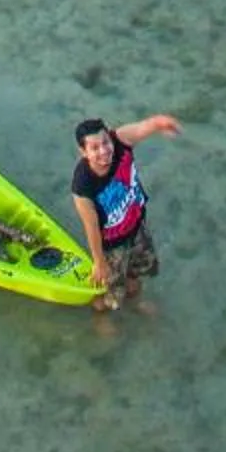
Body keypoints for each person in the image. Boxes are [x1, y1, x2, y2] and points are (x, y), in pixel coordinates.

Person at [69, 113, 179, 315]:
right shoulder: (83, 186)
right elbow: (91, 228)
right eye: (95, 148)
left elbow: (144, 127)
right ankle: (101, 317)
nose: (104, 151)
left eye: (105, 142)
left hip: (136, 227)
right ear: (83, 152)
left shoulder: (121, 140)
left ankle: (136, 302)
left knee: (137, 273)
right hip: (112, 245)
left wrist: (161, 123)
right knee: (108, 289)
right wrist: (99, 262)